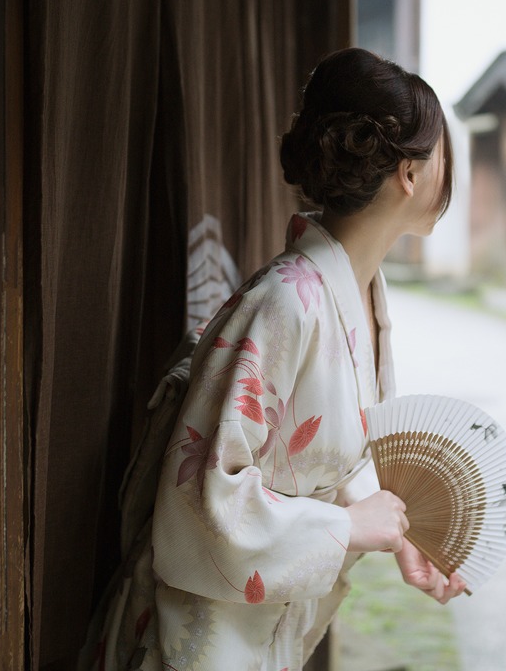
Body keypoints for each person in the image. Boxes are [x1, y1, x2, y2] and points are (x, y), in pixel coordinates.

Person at [104, 47, 466, 671]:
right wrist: (350, 529)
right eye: (443, 155)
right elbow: (199, 501)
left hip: (268, 636)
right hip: (201, 643)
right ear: (409, 172)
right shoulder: (287, 302)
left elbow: (318, 460)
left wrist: (399, 534)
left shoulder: (359, 295)